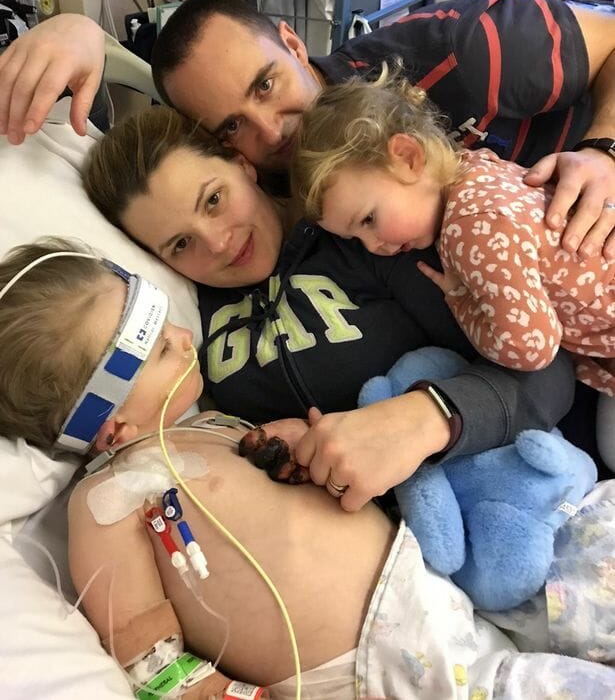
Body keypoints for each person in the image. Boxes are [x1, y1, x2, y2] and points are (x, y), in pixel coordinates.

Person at [2, 238, 614, 700]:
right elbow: (142, 642)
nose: (187, 336)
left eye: (169, 321)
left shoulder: (210, 424)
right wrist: (208, 690)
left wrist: (296, 446)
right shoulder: (104, 502)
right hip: (365, 658)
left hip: (427, 574)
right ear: (109, 426)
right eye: (161, 346)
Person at [82, 105, 586, 509]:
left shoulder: (369, 236)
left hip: (493, 489)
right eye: (180, 244)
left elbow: (546, 372)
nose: (216, 243)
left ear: (242, 165)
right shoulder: (193, 324)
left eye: (213, 200)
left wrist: (425, 418)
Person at [0, 0, 614, 261]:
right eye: (233, 125)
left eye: (266, 85)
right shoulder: (260, 184)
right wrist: (77, 29)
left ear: (293, 43)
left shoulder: (462, 51)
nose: (272, 134)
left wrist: (602, 151)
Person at [290, 72, 615, 465]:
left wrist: (462, 302)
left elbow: (530, 348)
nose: (374, 246)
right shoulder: (478, 165)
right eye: (357, 239)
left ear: (408, 157)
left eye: (369, 220)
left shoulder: (468, 229)